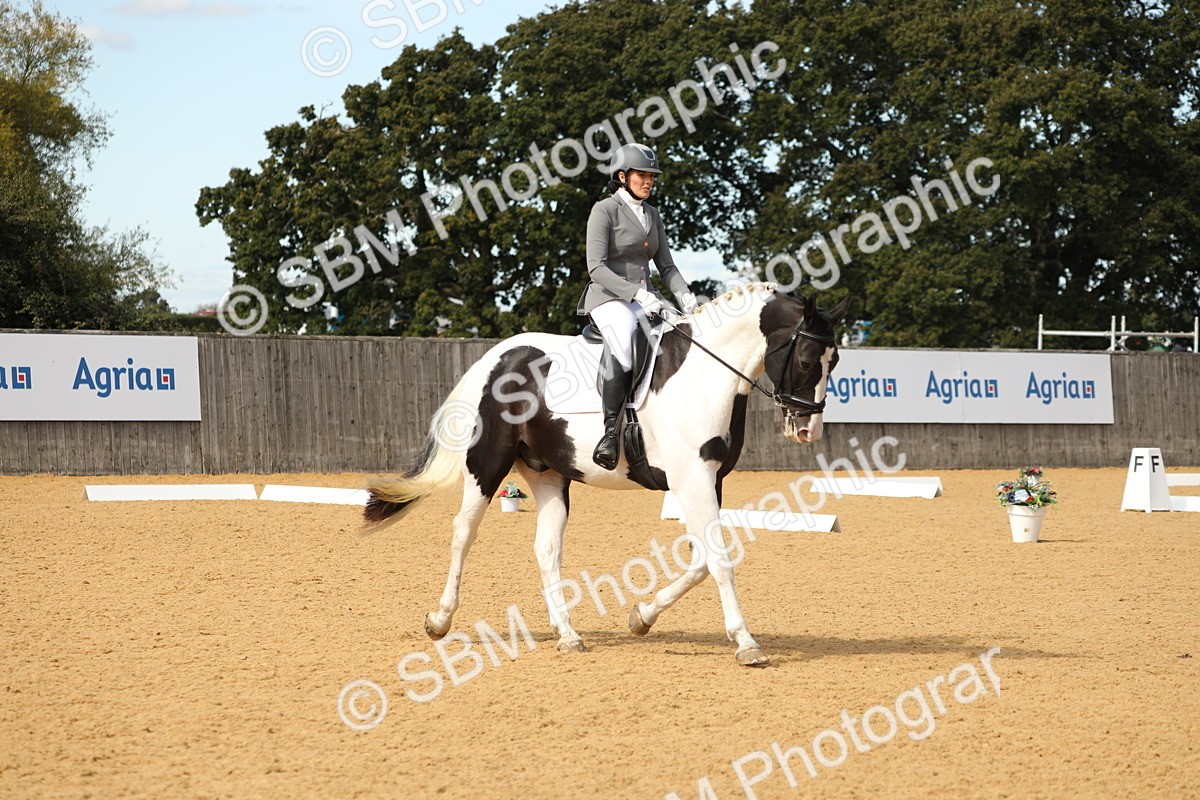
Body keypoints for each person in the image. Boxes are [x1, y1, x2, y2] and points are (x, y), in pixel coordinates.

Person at [576, 142, 698, 470]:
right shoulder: (604, 210)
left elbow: (667, 266)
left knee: (680, 336)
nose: (648, 181)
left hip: (648, 298)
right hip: (609, 298)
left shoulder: (652, 215)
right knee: (624, 345)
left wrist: (686, 298)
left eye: (651, 176)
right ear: (622, 176)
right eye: (642, 175)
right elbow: (596, 267)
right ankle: (610, 434)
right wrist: (636, 294)